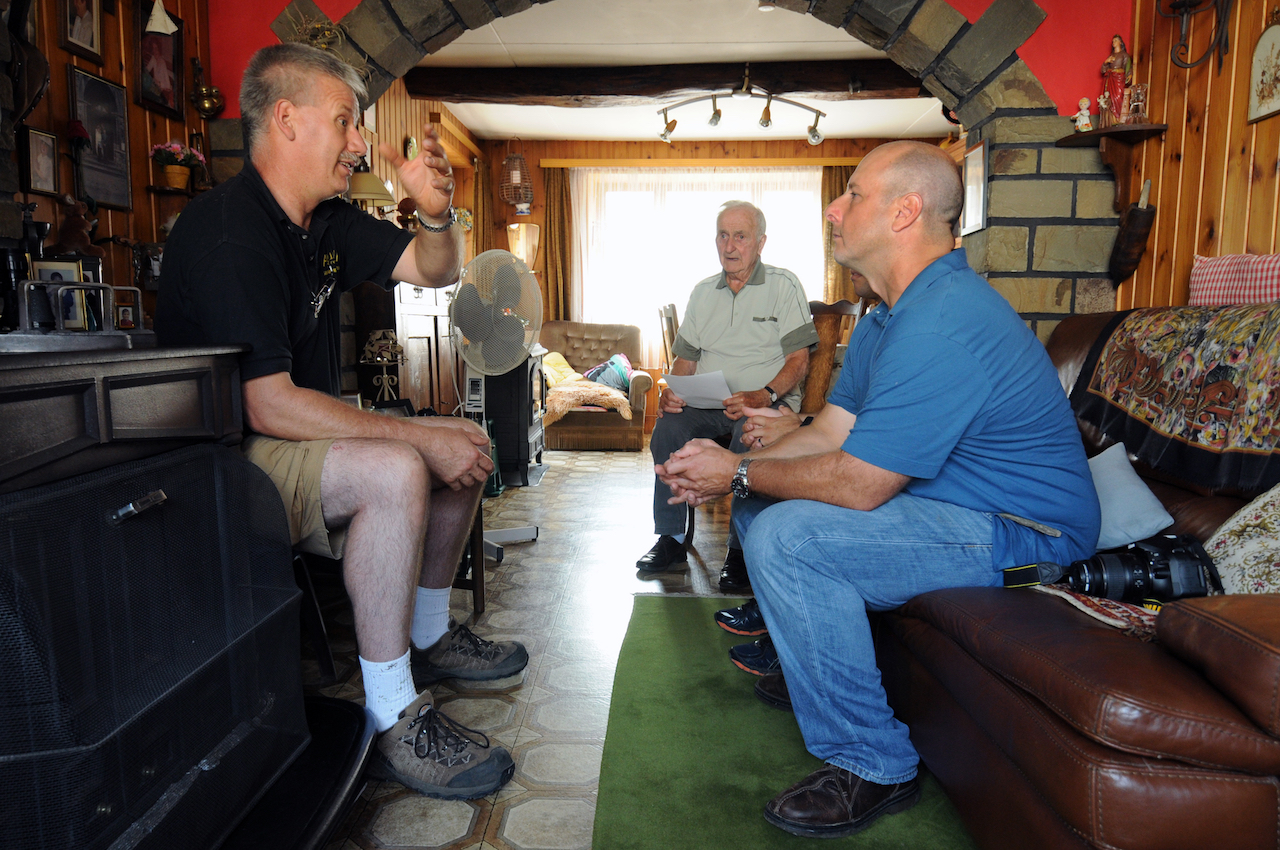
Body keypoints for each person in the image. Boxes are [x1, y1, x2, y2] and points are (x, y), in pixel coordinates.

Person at [656, 140, 1100, 838]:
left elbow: (859, 485)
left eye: (852, 194)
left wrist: (735, 470)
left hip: (1023, 531)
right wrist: (726, 458)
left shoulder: (945, 319)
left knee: (789, 536)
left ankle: (875, 762)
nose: (835, 208)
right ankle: (803, 651)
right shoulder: (886, 316)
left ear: (905, 211)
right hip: (950, 507)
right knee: (760, 494)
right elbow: (832, 431)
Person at [155, 43, 527, 801]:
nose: (360, 146)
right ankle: (395, 716)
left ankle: (427, 635)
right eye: (346, 123)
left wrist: (434, 212)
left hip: (292, 432)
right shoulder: (230, 233)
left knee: (467, 441)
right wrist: (414, 437)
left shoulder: (323, 221)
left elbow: (435, 269)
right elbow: (267, 402)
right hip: (227, 459)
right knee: (401, 464)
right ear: (286, 120)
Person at [637, 200, 817, 593]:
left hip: (766, 404)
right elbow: (686, 359)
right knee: (668, 427)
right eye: (723, 235)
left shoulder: (784, 285)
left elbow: (799, 361)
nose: (730, 245)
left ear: (760, 242)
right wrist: (672, 391)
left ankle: (739, 550)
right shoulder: (703, 292)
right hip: (710, 403)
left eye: (741, 236)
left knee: (747, 437)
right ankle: (670, 538)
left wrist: (765, 393)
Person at [1101, 34, 1131, 127]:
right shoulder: (1111, 56)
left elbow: (1128, 67)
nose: (1114, 43)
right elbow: (1103, 70)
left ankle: (1119, 118)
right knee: (1109, 99)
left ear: (1120, 42)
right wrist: (1106, 62)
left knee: (1118, 96)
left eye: (1116, 41)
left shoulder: (1124, 55)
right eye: (1113, 41)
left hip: (1119, 79)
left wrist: (1129, 75)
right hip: (1110, 79)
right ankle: (1111, 120)